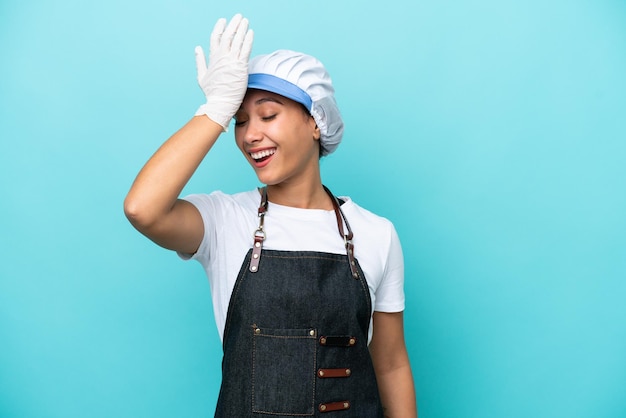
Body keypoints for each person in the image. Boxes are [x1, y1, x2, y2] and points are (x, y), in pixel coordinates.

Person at [124, 13, 417, 418]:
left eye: (268, 114)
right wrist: (214, 111)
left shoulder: (376, 234)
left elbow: (391, 363)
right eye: (239, 121)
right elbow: (143, 209)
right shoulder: (225, 220)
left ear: (315, 122)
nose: (249, 135)